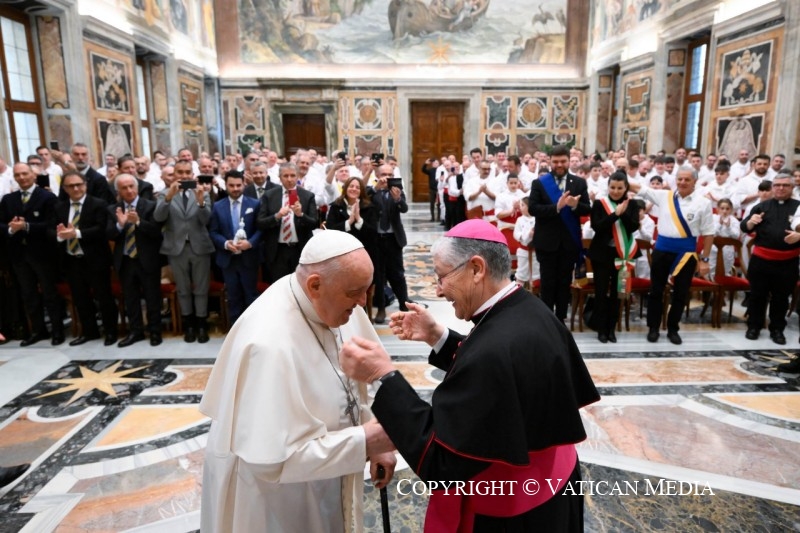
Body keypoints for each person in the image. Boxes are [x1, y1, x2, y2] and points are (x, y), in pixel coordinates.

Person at [340, 219, 599, 531]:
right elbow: (500, 377)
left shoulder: (496, 345)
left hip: (510, 510)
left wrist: (383, 376)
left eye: (441, 276)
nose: (437, 289)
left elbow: (441, 462)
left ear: (477, 269)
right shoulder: (529, 309)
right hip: (553, 483)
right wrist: (437, 335)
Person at [199, 230, 396, 533]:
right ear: (315, 285)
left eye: (366, 290)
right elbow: (273, 460)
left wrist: (377, 444)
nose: (362, 302)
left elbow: (363, 382)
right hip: (275, 499)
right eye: (355, 292)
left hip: (326, 477)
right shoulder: (267, 344)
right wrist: (365, 441)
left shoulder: (338, 302)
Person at [629, 169, 714, 344]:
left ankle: (673, 328)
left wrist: (704, 260)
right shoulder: (664, 196)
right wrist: (621, 176)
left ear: (695, 182)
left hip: (687, 254)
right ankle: (653, 327)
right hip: (662, 251)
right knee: (655, 291)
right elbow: (641, 189)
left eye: (687, 179)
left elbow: (708, 233)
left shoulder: (703, 203)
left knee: (681, 293)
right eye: (680, 179)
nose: (682, 182)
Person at [0, 163, 64, 346]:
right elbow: (1, 224)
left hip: (42, 253)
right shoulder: (8, 199)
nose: (21, 178)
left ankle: (57, 330)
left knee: (50, 293)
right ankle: (38, 330)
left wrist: (27, 226)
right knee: (28, 294)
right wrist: (11, 229)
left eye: (25, 174)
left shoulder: (47, 197)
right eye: (17, 175)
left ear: (33, 176)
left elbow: (53, 225)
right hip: (19, 254)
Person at [53, 171, 118, 346]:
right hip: (72, 259)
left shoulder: (98, 204)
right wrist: (60, 235)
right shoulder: (59, 207)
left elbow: (101, 229)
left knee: (103, 297)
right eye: (71, 186)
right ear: (65, 189)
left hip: (95, 259)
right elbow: (51, 230)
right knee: (80, 298)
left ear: (85, 185)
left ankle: (111, 331)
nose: (76, 188)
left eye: (79, 184)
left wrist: (77, 233)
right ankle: (90, 332)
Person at [154, 160, 215, 343]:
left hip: (199, 247)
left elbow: (207, 220)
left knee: (201, 288)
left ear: (192, 173)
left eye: (187, 172)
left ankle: (201, 323)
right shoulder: (164, 194)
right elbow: (158, 217)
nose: (183, 175)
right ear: (174, 175)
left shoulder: (202, 193)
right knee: (183, 289)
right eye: (179, 172)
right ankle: (189, 324)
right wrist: (168, 198)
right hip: (176, 248)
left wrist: (201, 202)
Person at [529, 144, 591, 322]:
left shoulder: (579, 183)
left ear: (569, 161)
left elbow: (587, 209)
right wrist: (557, 207)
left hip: (569, 243)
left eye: (563, 161)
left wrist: (574, 205)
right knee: (547, 284)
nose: (559, 165)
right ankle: (547, 320)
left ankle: (561, 319)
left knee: (564, 283)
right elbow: (533, 208)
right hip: (546, 243)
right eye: (555, 161)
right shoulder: (540, 183)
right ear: (550, 162)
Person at [740, 173, 800, 345]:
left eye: (785, 185)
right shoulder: (762, 206)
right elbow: (744, 227)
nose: (780, 188)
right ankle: (754, 326)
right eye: (777, 185)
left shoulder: (798, 207)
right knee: (757, 295)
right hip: (761, 260)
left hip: (788, 262)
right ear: (772, 187)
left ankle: (777, 329)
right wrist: (751, 222)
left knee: (781, 298)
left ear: (792, 187)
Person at [108, 174, 164, 347]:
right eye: (124, 188)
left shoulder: (150, 206)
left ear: (137, 187)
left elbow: (157, 232)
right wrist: (120, 225)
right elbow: (109, 234)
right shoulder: (113, 209)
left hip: (146, 259)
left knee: (152, 297)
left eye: (131, 186)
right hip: (125, 260)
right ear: (118, 191)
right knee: (131, 298)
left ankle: (155, 331)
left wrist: (138, 222)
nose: (129, 190)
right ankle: (136, 332)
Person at [588, 172, 641, 343]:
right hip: (602, 255)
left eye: (620, 188)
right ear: (608, 187)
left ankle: (612, 328)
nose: (616, 191)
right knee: (601, 292)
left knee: (619, 293)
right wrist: (615, 214)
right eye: (612, 187)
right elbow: (597, 226)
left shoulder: (632, 204)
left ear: (626, 188)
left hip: (623, 255)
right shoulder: (599, 203)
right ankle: (601, 329)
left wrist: (623, 213)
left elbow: (633, 227)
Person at [209, 171, 262, 325]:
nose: (235, 188)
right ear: (226, 186)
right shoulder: (218, 206)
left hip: (248, 258)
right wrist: (226, 244)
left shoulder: (254, 204)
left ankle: (253, 331)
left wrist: (250, 243)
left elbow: (260, 230)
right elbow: (213, 231)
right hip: (228, 260)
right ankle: (235, 333)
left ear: (244, 184)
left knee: (251, 296)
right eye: (231, 185)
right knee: (233, 297)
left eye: (239, 185)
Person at [256, 162, 318, 283]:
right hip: (277, 251)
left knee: (300, 287)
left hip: (299, 250)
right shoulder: (269, 195)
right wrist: (277, 216)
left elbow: (314, 223)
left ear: (297, 176)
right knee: (279, 288)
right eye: (285, 176)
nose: (289, 179)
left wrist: (301, 215)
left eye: (292, 175)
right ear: (280, 177)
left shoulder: (307, 196)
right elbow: (260, 222)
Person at [370, 164, 412, 324]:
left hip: (393, 239)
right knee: (379, 276)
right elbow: (364, 200)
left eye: (389, 174)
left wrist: (397, 199)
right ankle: (381, 307)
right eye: (383, 174)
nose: (386, 177)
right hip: (377, 239)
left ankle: (403, 302)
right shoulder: (373, 191)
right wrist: (375, 188)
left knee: (398, 273)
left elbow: (404, 209)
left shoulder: (398, 191)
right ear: (377, 174)